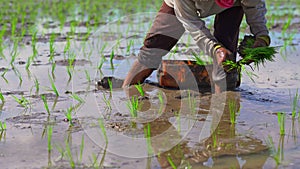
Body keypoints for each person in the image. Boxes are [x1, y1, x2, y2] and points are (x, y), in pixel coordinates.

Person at [122, 0, 270, 93]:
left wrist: (261, 37)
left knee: (227, 58)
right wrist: (215, 50)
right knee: (154, 48)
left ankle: (223, 107)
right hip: (181, 6)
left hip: (232, 6)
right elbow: (193, 26)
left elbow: (255, 7)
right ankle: (126, 90)